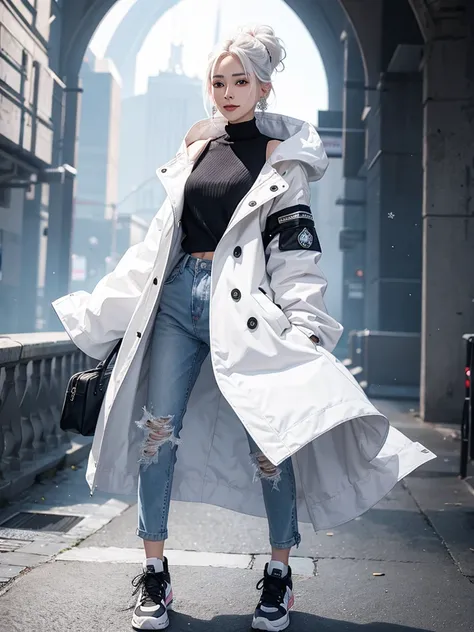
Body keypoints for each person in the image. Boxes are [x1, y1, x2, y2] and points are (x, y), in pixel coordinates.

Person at [53, 24, 435, 632]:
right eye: (218, 81)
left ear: (264, 86)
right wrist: (102, 310)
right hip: (178, 298)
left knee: (272, 441)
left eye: (240, 81)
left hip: (249, 311)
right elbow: (156, 247)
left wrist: (306, 324)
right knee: (159, 434)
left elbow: (297, 255)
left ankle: (278, 573)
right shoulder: (194, 154)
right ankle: (154, 573)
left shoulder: (283, 163)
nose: (227, 91)